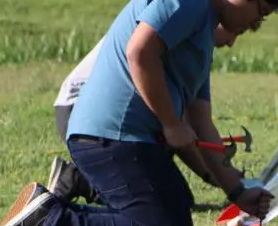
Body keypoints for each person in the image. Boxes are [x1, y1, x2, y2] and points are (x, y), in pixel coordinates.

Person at [0, 0, 278, 226]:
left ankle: (42, 211)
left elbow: (201, 124)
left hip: (130, 141)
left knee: (173, 213)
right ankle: (46, 218)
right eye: (260, 12)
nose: (255, 24)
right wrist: (170, 123)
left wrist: (237, 190)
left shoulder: (202, 35)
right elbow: (139, 52)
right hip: (113, 137)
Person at [46, 23, 239, 205]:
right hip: (82, 112)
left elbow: (188, 124)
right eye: (233, 32)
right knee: (158, 203)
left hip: (103, 113)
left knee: (179, 200)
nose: (231, 42)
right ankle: (75, 179)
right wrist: (216, 176)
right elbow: (179, 128)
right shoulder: (178, 38)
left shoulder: (190, 36)